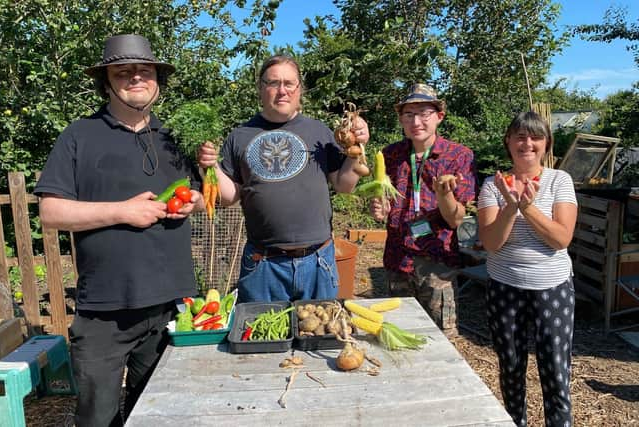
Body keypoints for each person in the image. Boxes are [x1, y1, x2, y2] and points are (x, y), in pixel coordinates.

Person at [34, 34, 204, 427]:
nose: (135, 78)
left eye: (144, 70)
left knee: (159, 416)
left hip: (170, 306)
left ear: (158, 78)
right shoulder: (79, 135)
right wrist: (122, 212)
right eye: (123, 71)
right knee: (97, 419)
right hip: (104, 314)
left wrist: (191, 200)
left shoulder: (174, 136)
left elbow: (199, 193)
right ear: (106, 81)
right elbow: (50, 211)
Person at [197, 54, 369, 303]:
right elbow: (229, 196)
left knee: (317, 338)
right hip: (263, 265)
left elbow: (344, 186)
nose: (282, 91)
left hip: (318, 262)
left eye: (289, 83)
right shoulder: (240, 135)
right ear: (260, 88)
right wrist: (209, 168)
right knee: (262, 338)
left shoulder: (320, 132)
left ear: (300, 89)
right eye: (273, 83)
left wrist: (356, 148)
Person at [477, 111, 578, 427]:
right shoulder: (493, 185)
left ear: (547, 143)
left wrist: (528, 207)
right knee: (510, 366)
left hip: (553, 288)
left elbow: (561, 238)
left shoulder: (559, 180)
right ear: (508, 141)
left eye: (535, 137)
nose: (527, 143)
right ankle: (514, 421)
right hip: (504, 288)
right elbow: (492, 243)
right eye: (520, 136)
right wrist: (510, 206)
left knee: (556, 368)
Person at [370, 83, 476, 336]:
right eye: (409, 114)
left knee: (440, 339)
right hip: (398, 259)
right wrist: (380, 209)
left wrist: (445, 194)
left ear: (439, 116)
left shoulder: (458, 156)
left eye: (424, 113)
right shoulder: (390, 154)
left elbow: (456, 220)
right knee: (400, 335)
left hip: (437, 263)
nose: (416, 121)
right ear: (401, 119)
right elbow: (384, 201)